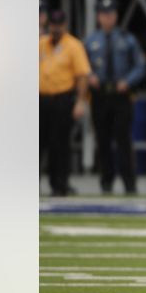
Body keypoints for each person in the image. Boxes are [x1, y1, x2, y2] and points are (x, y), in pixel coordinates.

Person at [83, 0, 146, 195]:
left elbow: (141, 65)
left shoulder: (127, 39)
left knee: (123, 139)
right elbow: (81, 65)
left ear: (116, 16)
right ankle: (106, 181)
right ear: (98, 17)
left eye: (110, 14)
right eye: (103, 14)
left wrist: (128, 81)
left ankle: (129, 183)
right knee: (102, 140)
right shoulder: (91, 41)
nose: (107, 18)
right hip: (100, 94)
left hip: (121, 95)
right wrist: (89, 75)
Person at [40, 10, 91, 197]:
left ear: (64, 25)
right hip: (41, 99)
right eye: (53, 24)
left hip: (62, 100)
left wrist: (80, 101)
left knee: (59, 144)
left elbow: (82, 76)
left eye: (59, 24)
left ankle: (60, 184)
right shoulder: (41, 44)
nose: (55, 28)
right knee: (36, 144)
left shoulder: (73, 46)